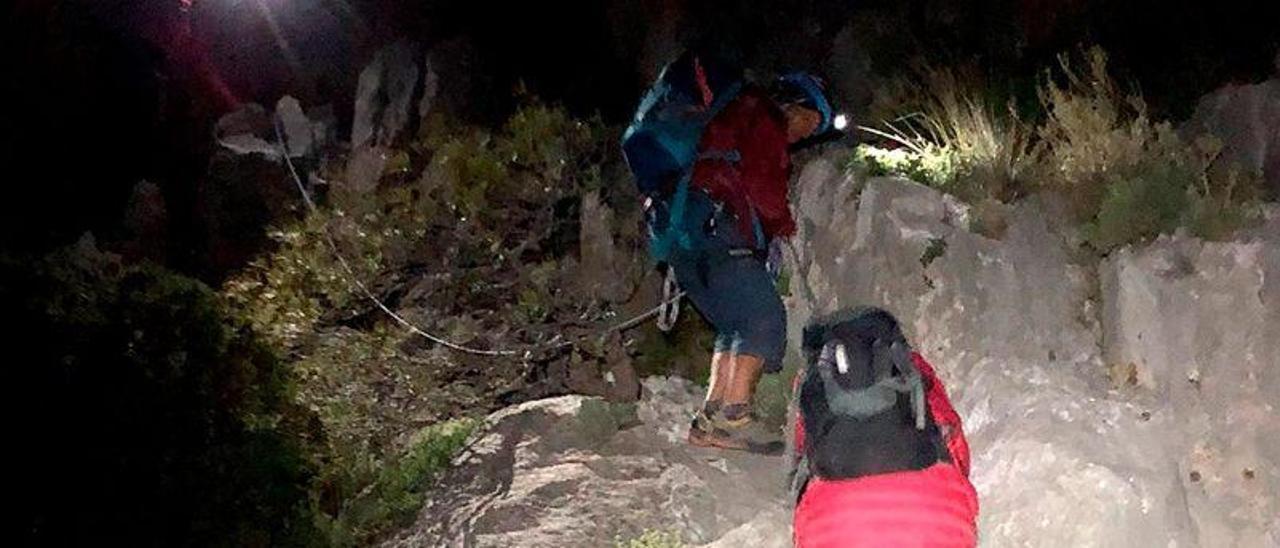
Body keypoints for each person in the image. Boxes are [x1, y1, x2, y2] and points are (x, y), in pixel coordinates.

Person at [671, 65, 834, 453]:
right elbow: (763, 189)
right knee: (764, 318)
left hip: (686, 234)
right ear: (795, 105)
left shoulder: (732, 118)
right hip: (720, 227)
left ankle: (711, 418)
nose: (806, 134)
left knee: (734, 324)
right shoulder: (763, 118)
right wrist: (783, 224)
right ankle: (735, 417)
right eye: (810, 123)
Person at [788, 307, 978, 547]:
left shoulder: (814, 379)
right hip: (937, 519)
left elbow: (797, 462)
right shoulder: (910, 368)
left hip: (835, 526)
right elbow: (953, 440)